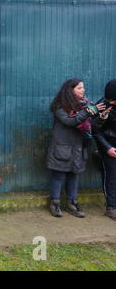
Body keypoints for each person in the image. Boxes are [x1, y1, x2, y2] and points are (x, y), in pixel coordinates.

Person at [46, 78, 104, 218]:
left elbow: (92, 125)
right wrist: (89, 112)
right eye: (79, 88)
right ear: (70, 90)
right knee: (58, 175)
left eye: (83, 87)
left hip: (78, 147)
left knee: (74, 174)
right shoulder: (60, 106)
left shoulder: (87, 105)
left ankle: (72, 202)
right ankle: (55, 203)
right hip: (62, 147)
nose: (83, 90)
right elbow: (70, 121)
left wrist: (101, 117)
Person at [92, 79, 116, 221]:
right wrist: (107, 148)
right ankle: (111, 207)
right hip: (108, 145)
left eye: (113, 100)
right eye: (110, 100)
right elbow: (95, 130)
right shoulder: (103, 105)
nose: (111, 103)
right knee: (111, 176)